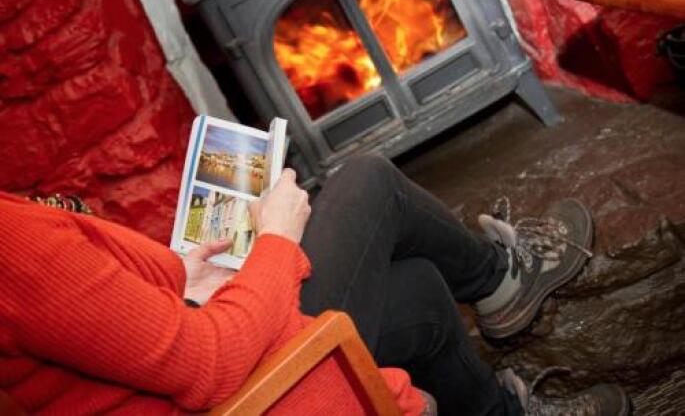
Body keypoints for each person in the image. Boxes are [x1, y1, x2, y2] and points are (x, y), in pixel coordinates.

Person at [0, 154, 629, 415]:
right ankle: (501, 279)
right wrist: (276, 238)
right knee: (366, 182)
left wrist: (177, 278)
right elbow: (209, 364)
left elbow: (86, 328)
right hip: (253, 396)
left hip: (215, 382)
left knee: (415, 288)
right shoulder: (10, 243)